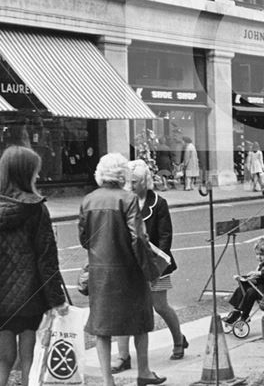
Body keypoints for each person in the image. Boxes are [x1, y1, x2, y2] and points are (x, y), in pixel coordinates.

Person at [0, 146, 68, 386]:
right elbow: (47, 258)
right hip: (31, 297)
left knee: (3, 358)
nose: (37, 176)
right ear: (24, 173)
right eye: (35, 172)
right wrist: (56, 299)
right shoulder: (36, 208)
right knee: (30, 357)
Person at [81, 154, 166, 386]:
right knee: (140, 320)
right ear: (123, 175)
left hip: (100, 271)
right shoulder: (128, 199)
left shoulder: (88, 200)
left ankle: (108, 380)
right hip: (129, 270)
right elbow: (138, 238)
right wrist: (149, 270)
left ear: (100, 173)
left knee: (102, 327)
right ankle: (144, 372)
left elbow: (83, 238)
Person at [113, 160, 186, 373]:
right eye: (129, 181)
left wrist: (157, 265)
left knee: (160, 306)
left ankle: (179, 341)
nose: (131, 185)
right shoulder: (124, 201)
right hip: (131, 264)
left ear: (145, 181)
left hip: (156, 264)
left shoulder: (159, 203)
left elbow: (165, 236)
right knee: (125, 309)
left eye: (135, 181)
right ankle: (123, 356)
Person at [224, 238, 264, 324]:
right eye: (257, 254)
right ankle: (236, 311)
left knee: (251, 292)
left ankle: (244, 315)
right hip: (260, 288)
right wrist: (246, 278)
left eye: (262, 255)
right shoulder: (261, 265)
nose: (259, 257)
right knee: (241, 288)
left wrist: (258, 273)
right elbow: (257, 279)